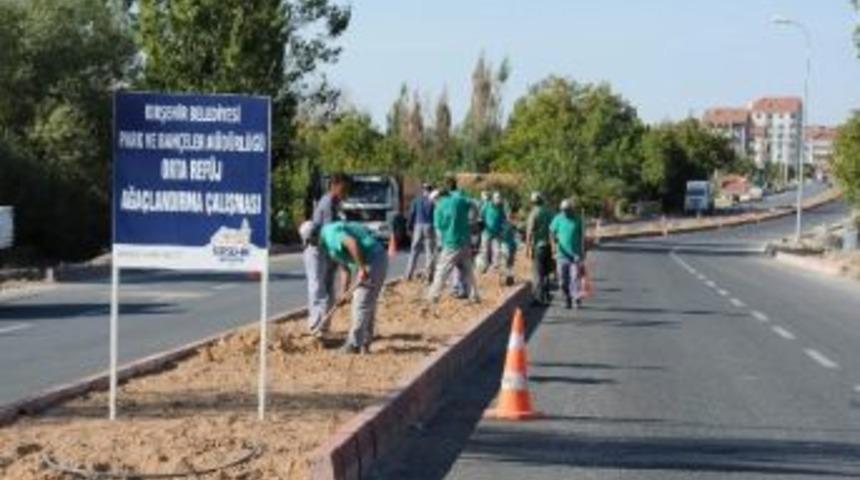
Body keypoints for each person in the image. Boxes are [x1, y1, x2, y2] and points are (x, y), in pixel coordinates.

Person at [318, 221, 388, 354]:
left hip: (372, 259)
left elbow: (351, 242)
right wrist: (343, 293)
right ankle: (364, 344)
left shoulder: (330, 234)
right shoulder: (328, 242)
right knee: (366, 303)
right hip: (373, 257)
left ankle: (354, 344)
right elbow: (345, 268)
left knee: (360, 303)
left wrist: (361, 268)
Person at [305, 173, 350, 337]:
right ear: (335, 185)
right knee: (317, 287)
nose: (346, 192)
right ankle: (316, 326)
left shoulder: (336, 203)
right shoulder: (327, 203)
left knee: (329, 287)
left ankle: (324, 326)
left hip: (327, 250)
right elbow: (330, 232)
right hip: (317, 249)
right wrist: (342, 258)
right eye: (344, 188)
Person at [428, 177, 481, 304]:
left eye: (434, 201)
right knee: (468, 270)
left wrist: (440, 245)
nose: (434, 203)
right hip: (464, 241)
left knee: (441, 270)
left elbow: (438, 230)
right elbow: (475, 204)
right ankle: (474, 295)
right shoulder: (459, 200)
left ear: (437, 198)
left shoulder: (438, 208)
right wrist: (473, 219)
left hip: (451, 243)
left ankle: (433, 295)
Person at [550, 199, 585, 309]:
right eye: (563, 210)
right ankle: (567, 298)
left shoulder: (578, 219)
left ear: (572, 209)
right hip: (561, 254)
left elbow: (582, 236)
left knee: (575, 278)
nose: (565, 212)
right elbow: (551, 231)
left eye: (567, 210)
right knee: (563, 281)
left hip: (575, 254)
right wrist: (553, 246)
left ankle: (576, 298)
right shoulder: (558, 219)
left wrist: (583, 252)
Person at [404, 183, 436, 282]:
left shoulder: (417, 200)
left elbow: (412, 214)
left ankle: (408, 274)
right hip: (429, 225)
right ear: (431, 190)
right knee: (429, 252)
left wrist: (408, 226)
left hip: (418, 225)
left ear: (423, 189)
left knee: (414, 251)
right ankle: (429, 276)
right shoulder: (433, 201)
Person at [525, 192, 554, 304]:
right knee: (546, 272)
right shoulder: (549, 212)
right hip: (549, 246)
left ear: (532, 202)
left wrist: (527, 248)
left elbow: (530, 232)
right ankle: (546, 296)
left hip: (538, 246)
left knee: (537, 272)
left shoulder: (534, 213)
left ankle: (538, 298)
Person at [477, 191, 508, 274]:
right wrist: (481, 224)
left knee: (497, 251)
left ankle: (494, 268)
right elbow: (481, 216)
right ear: (493, 199)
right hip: (487, 231)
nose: (499, 200)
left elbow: (504, 219)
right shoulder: (487, 205)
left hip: (497, 233)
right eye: (497, 198)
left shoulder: (501, 207)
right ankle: (484, 267)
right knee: (485, 250)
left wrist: (503, 229)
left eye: (500, 198)